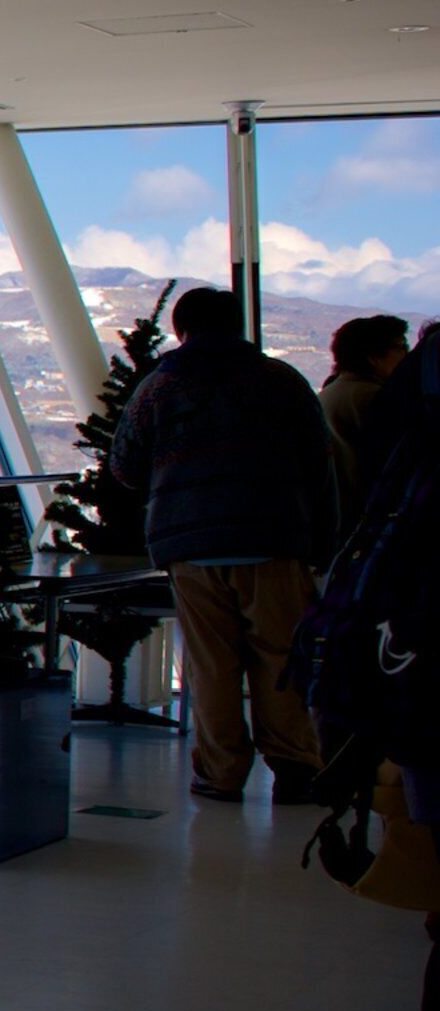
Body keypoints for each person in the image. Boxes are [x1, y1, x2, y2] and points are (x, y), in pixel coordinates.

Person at [115, 285, 340, 805]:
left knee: (212, 667)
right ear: (239, 325)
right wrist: (322, 543)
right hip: (274, 541)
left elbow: (125, 466)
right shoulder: (281, 380)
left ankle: (220, 774)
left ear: (181, 328)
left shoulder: (159, 387)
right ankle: (295, 767)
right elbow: (319, 463)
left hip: (190, 544)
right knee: (282, 658)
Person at [323, 313, 408, 530]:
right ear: (374, 356)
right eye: (401, 347)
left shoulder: (332, 392)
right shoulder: (375, 399)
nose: (407, 355)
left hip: (341, 519)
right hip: (368, 520)